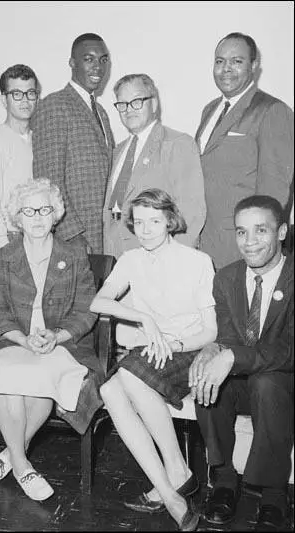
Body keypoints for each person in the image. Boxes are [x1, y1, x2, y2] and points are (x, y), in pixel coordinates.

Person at [0, 178, 103, 501]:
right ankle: (24, 465)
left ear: (56, 214)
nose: (38, 217)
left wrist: (56, 335)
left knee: (43, 376)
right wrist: (25, 340)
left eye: (45, 209)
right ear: (18, 217)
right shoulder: (1, 258)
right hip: (11, 340)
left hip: (63, 342)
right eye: (30, 211)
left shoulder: (75, 254)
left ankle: (9, 457)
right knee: (9, 377)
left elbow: (87, 309)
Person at [90, 189, 217, 531]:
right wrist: (144, 320)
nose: (145, 230)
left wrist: (172, 342)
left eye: (155, 222)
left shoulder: (197, 261)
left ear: (170, 222)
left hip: (188, 350)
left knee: (124, 381)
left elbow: (210, 331)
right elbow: (98, 302)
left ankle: (176, 467)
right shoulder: (131, 259)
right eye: (139, 222)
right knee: (109, 392)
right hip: (149, 352)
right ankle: (171, 490)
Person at [189, 195, 293, 531]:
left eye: (260, 230)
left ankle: (275, 492)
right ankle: (223, 480)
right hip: (247, 378)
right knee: (207, 376)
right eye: (241, 232)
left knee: (268, 382)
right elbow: (229, 336)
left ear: (281, 232)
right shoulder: (227, 278)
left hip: (284, 382)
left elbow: (288, 349)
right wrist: (214, 349)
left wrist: (233, 356)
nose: (249, 242)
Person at [195, 32, 294, 270]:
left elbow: (274, 193)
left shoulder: (273, 111)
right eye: (219, 61)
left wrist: (257, 247)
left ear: (254, 66)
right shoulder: (210, 109)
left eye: (236, 61)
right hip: (204, 241)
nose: (225, 68)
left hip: (241, 246)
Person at [103, 74, 205, 258]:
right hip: (116, 260)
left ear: (155, 104)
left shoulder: (177, 144)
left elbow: (192, 214)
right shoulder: (117, 152)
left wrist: (171, 262)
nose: (128, 110)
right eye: (122, 104)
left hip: (156, 260)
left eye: (137, 101)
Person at [31, 33, 115, 254]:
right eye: (89, 59)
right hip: (77, 240)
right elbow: (48, 181)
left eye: (103, 60)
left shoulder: (101, 112)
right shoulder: (54, 106)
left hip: (103, 235)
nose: (98, 67)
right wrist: (72, 235)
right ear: (72, 63)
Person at [0, 64, 39, 251]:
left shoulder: (39, 139)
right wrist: (4, 247)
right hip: (10, 240)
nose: (25, 101)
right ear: (4, 100)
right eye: (17, 94)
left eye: (30, 93)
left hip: (39, 237)